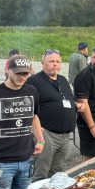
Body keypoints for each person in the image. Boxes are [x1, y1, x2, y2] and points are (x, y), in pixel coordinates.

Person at [0, 55, 45, 189]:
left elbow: (33, 116)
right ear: (7, 70)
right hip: (0, 163)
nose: (22, 77)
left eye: (25, 73)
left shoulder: (32, 91)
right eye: (18, 73)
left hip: (26, 159)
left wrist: (40, 139)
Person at [28, 50, 79, 180]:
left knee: (58, 171)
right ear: (42, 63)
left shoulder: (62, 80)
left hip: (65, 134)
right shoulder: (33, 81)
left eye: (57, 61)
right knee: (42, 168)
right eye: (51, 61)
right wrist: (34, 129)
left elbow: (65, 100)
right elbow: (27, 107)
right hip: (46, 133)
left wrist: (76, 105)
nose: (54, 64)